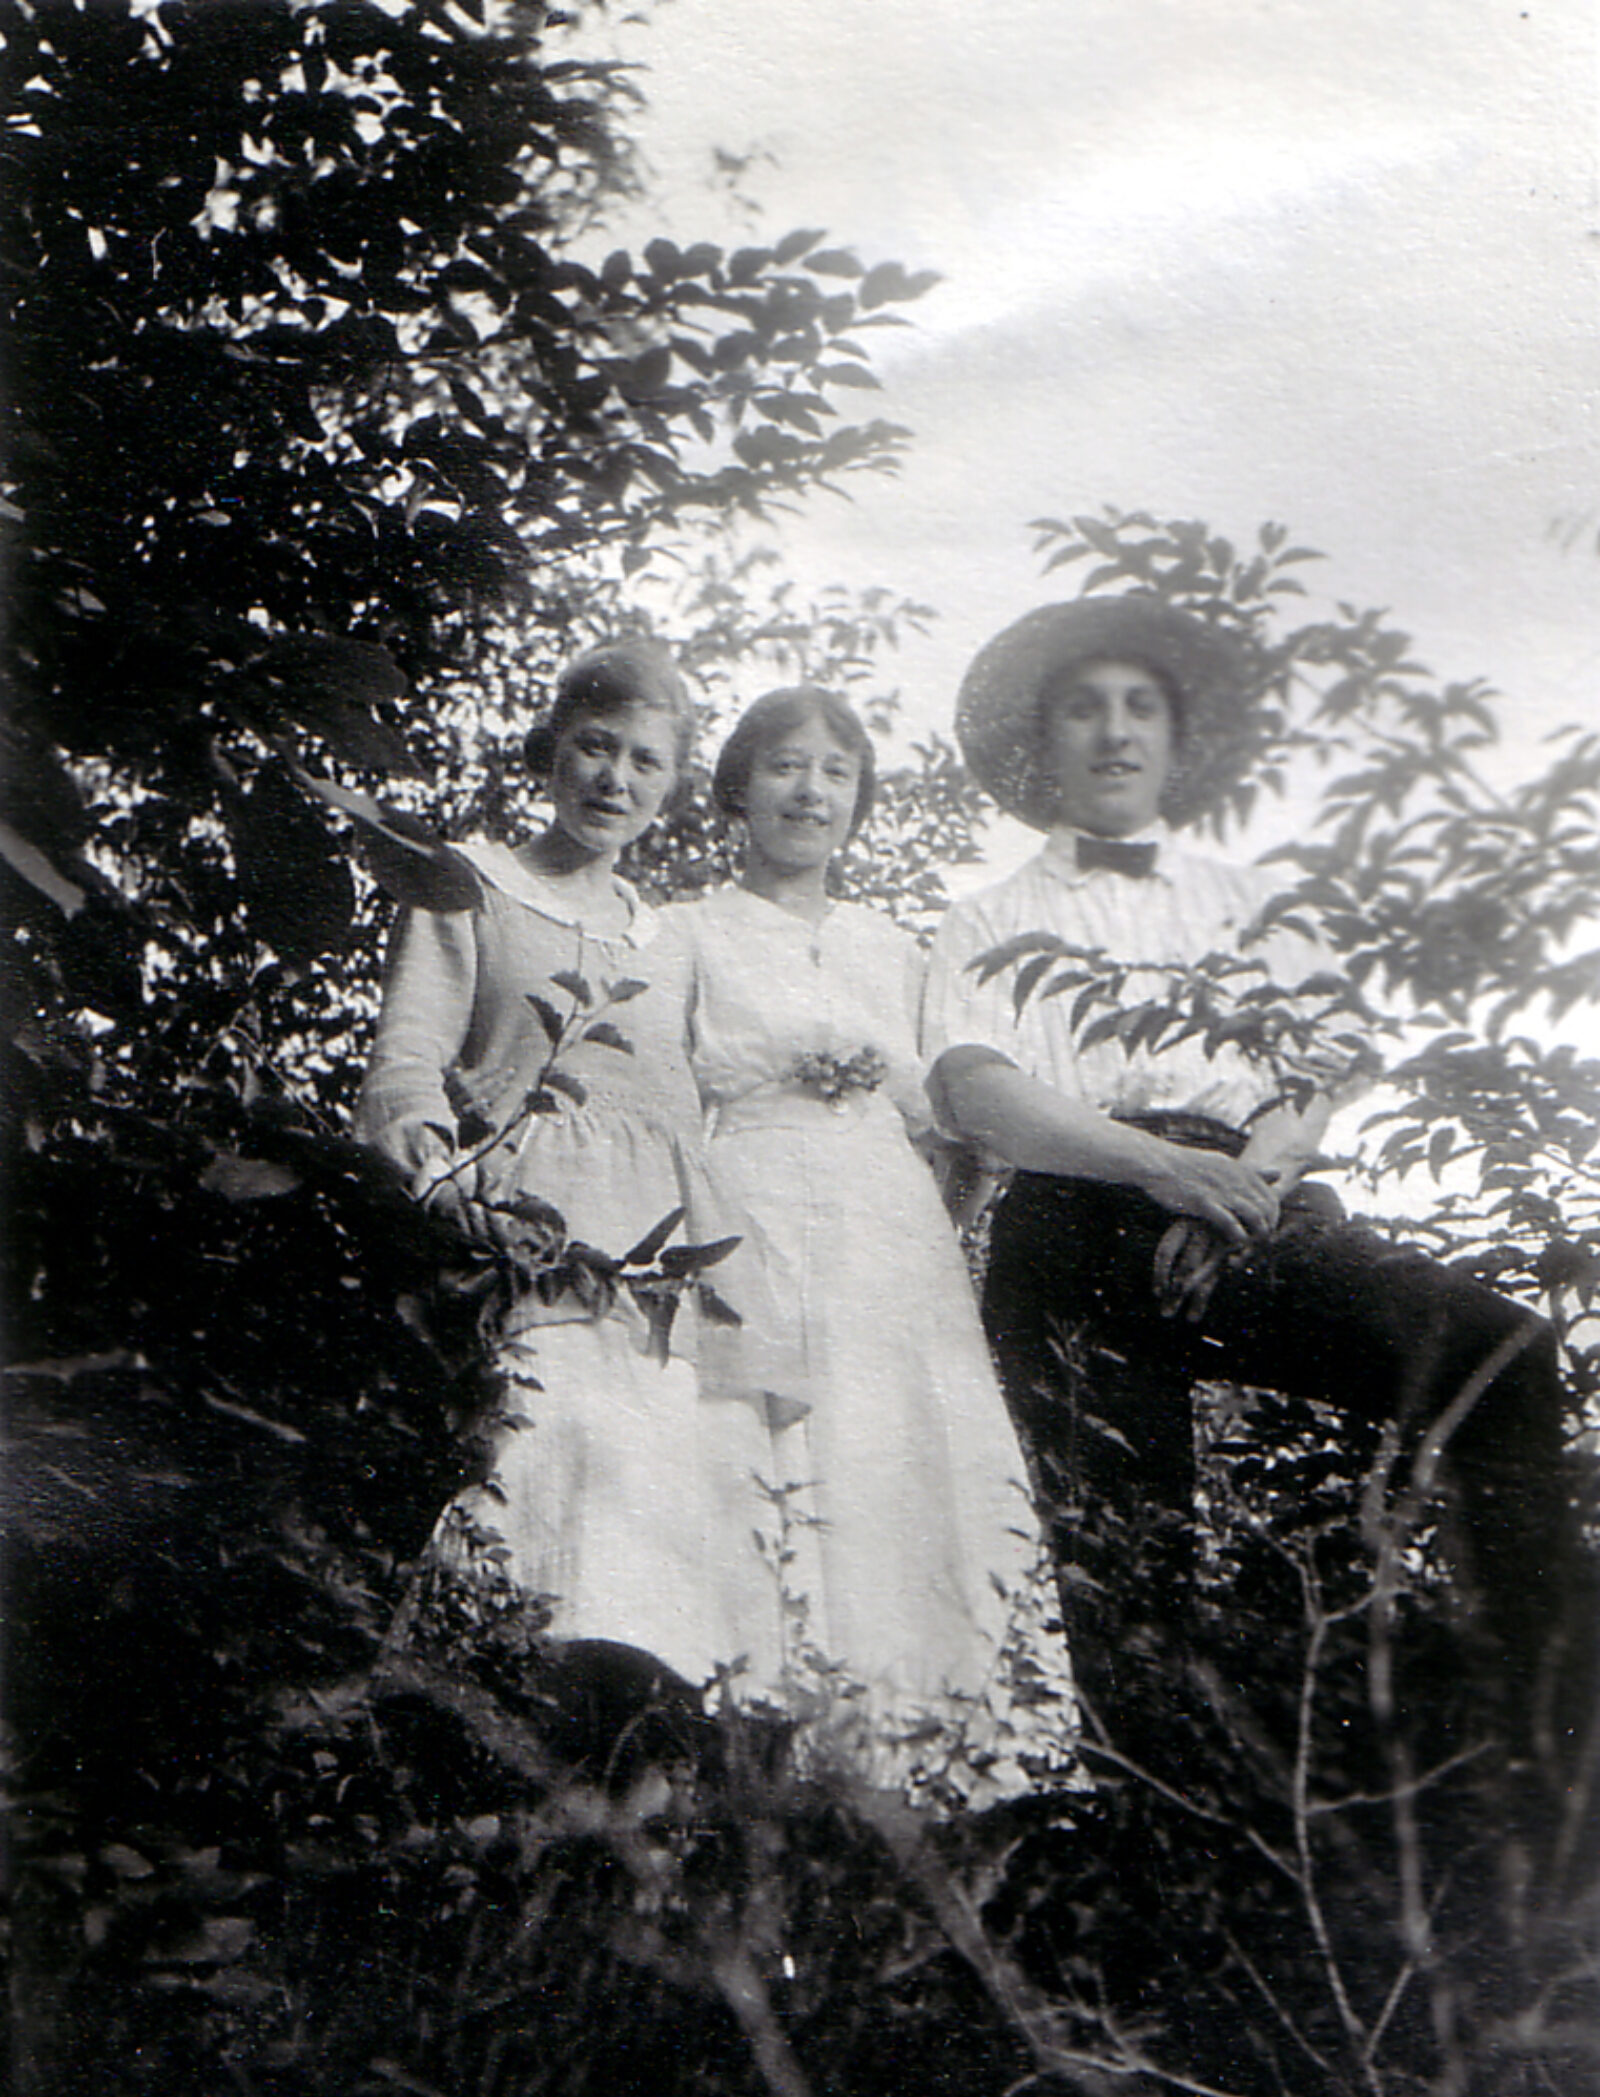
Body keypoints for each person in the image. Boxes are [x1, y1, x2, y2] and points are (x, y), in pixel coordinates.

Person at [921, 595, 1576, 1744]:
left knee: (1501, 1355)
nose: (1115, 733)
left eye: (1139, 708)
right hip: (1077, 1224)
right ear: (1043, 739)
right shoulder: (986, 915)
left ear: (1177, 739)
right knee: (1129, 1572)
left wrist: (1239, 1195)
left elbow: (1310, 1080)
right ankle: (1146, 1848)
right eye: (1084, 709)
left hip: (1241, 1210)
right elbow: (980, 1093)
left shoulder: (1249, 901)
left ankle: (1548, 1748)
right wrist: (1161, 1170)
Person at [647, 686, 1080, 1811]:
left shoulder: (895, 948)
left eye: (835, 774)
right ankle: (767, 1767)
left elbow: (957, 1124)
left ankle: (933, 1770)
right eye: (785, 767)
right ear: (738, 790)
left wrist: (932, 1219)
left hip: (890, 1236)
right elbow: (649, 1101)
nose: (809, 791)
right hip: (745, 1214)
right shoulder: (684, 930)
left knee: (902, 1461)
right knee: (768, 1465)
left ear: (857, 804)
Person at [356, 639, 779, 1694]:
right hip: (533, 1226)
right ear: (551, 751)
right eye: (595, 747)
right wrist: (440, 1176)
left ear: (672, 787)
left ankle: (645, 1757)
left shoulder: (671, 937)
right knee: (546, 1465)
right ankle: (489, 1723)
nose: (614, 779)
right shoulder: (468, 885)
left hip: (668, 1253)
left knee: (671, 1495)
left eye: (645, 761)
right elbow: (407, 1060)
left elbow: (705, 1098)